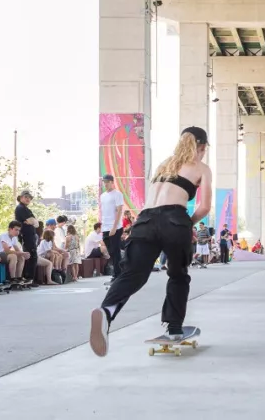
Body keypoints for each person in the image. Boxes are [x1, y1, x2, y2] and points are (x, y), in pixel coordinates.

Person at [89, 127, 212, 357]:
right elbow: (204, 207)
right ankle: (174, 327)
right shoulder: (202, 168)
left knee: (133, 274)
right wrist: (188, 224)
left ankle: (107, 311)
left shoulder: (165, 165)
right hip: (174, 219)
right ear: (202, 147)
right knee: (178, 274)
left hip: (144, 221)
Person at [99, 174, 125, 279]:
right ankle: (119, 273)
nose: (105, 184)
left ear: (112, 182)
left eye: (107, 182)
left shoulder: (117, 194)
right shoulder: (102, 196)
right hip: (105, 227)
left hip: (115, 227)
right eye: (104, 182)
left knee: (116, 251)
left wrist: (114, 227)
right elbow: (103, 211)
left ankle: (118, 275)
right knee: (111, 253)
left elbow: (119, 210)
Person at [14, 191, 41, 282]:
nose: (28, 199)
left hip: (30, 236)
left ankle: (29, 279)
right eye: (26, 197)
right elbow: (31, 221)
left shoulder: (26, 209)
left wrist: (32, 221)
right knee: (30, 256)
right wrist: (31, 221)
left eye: (29, 197)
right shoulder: (20, 208)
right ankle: (28, 278)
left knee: (32, 256)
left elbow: (36, 223)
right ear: (21, 198)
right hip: (26, 236)